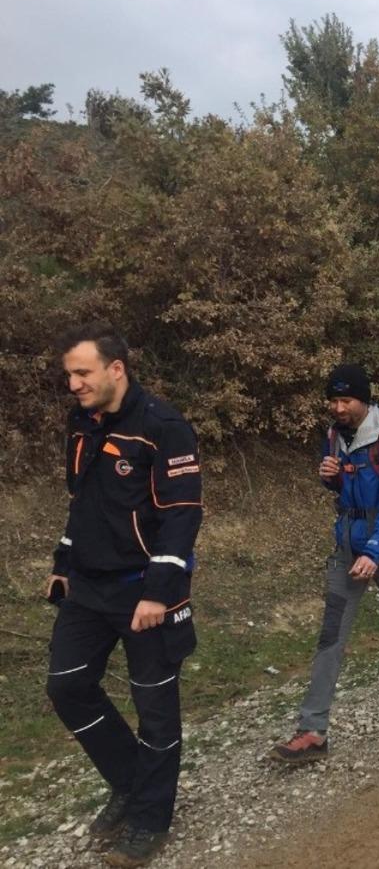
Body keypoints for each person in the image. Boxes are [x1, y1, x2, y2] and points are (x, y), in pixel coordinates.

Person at [46, 323, 203, 867]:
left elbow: (182, 516)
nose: (73, 384)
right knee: (67, 686)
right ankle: (135, 781)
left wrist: (160, 592)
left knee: (155, 709)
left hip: (145, 591)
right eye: (69, 374)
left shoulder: (164, 426)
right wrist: (64, 561)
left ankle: (151, 817)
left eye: (82, 373)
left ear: (117, 369)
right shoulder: (81, 422)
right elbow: (82, 499)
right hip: (88, 588)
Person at [272, 364, 379, 764]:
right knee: (331, 637)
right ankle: (312, 730)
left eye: (346, 400)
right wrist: (331, 478)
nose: (338, 407)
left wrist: (374, 551)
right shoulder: (333, 435)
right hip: (347, 547)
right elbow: (346, 489)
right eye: (333, 400)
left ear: (364, 399)